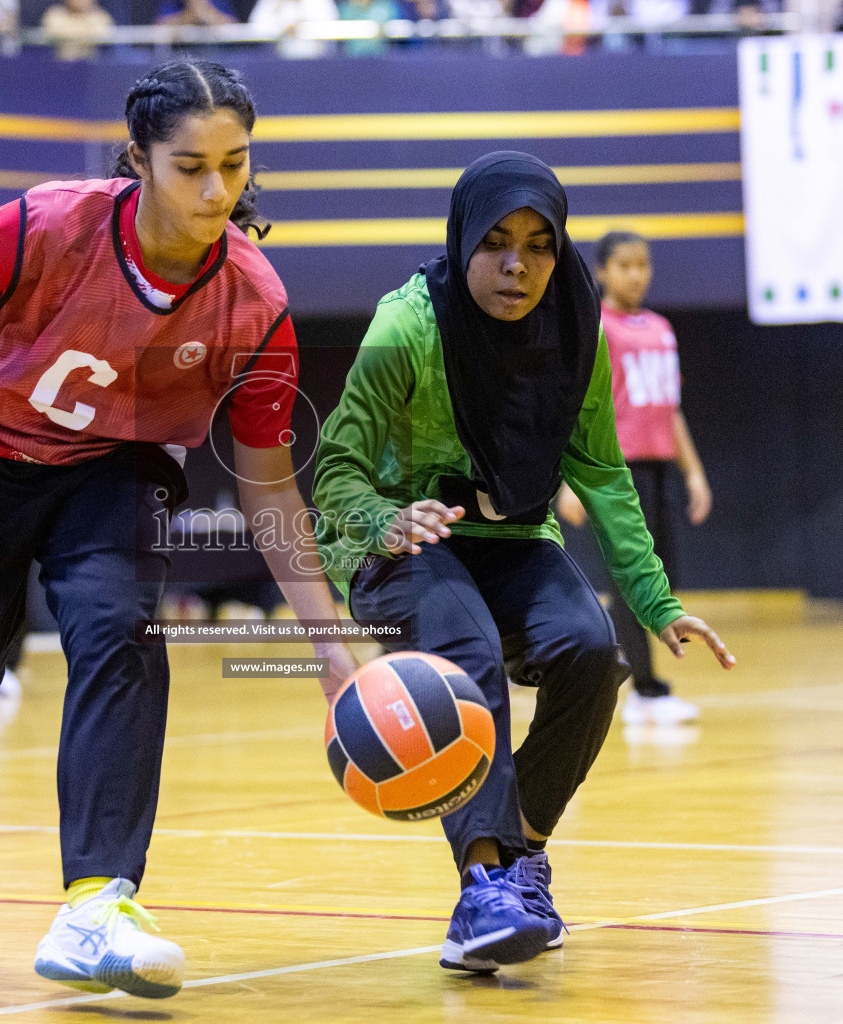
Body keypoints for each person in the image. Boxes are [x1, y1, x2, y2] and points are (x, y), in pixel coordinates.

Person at [0, 60, 359, 1000]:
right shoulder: (48, 222)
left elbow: (268, 483)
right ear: (139, 160)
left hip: (116, 470)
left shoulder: (255, 302)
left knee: (123, 633)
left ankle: (98, 900)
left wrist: (328, 641)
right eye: (191, 167)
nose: (217, 191)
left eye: (236, 166)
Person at [313, 152, 734, 975]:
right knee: (465, 661)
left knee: (590, 651)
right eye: (497, 242)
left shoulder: (577, 327)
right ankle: (481, 889)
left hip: (513, 540)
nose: (518, 264)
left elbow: (603, 473)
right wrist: (385, 519)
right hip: (403, 542)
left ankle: (521, 861)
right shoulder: (409, 324)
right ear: (464, 238)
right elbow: (334, 472)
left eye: (540, 244)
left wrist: (655, 601)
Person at [555, 230, 712, 726]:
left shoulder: (663, 329)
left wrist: (695, 474)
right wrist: (570, 482)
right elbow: (574, 408)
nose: (636, 274)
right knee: (625, 583)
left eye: (642, 264)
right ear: (601, 271)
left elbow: (671, 409)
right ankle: (645, 690)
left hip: (658, 469)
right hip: (613, 473)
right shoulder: (596, 327)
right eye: (624, 265)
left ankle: (634, 682)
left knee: (653, 580)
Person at [41, 0, 115, 60]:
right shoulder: (55, 14)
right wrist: (86, 28)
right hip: (61, 67)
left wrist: (71, 28)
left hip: (91, 69)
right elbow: (54, 31)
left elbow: (102, 32)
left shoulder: (100, 17)